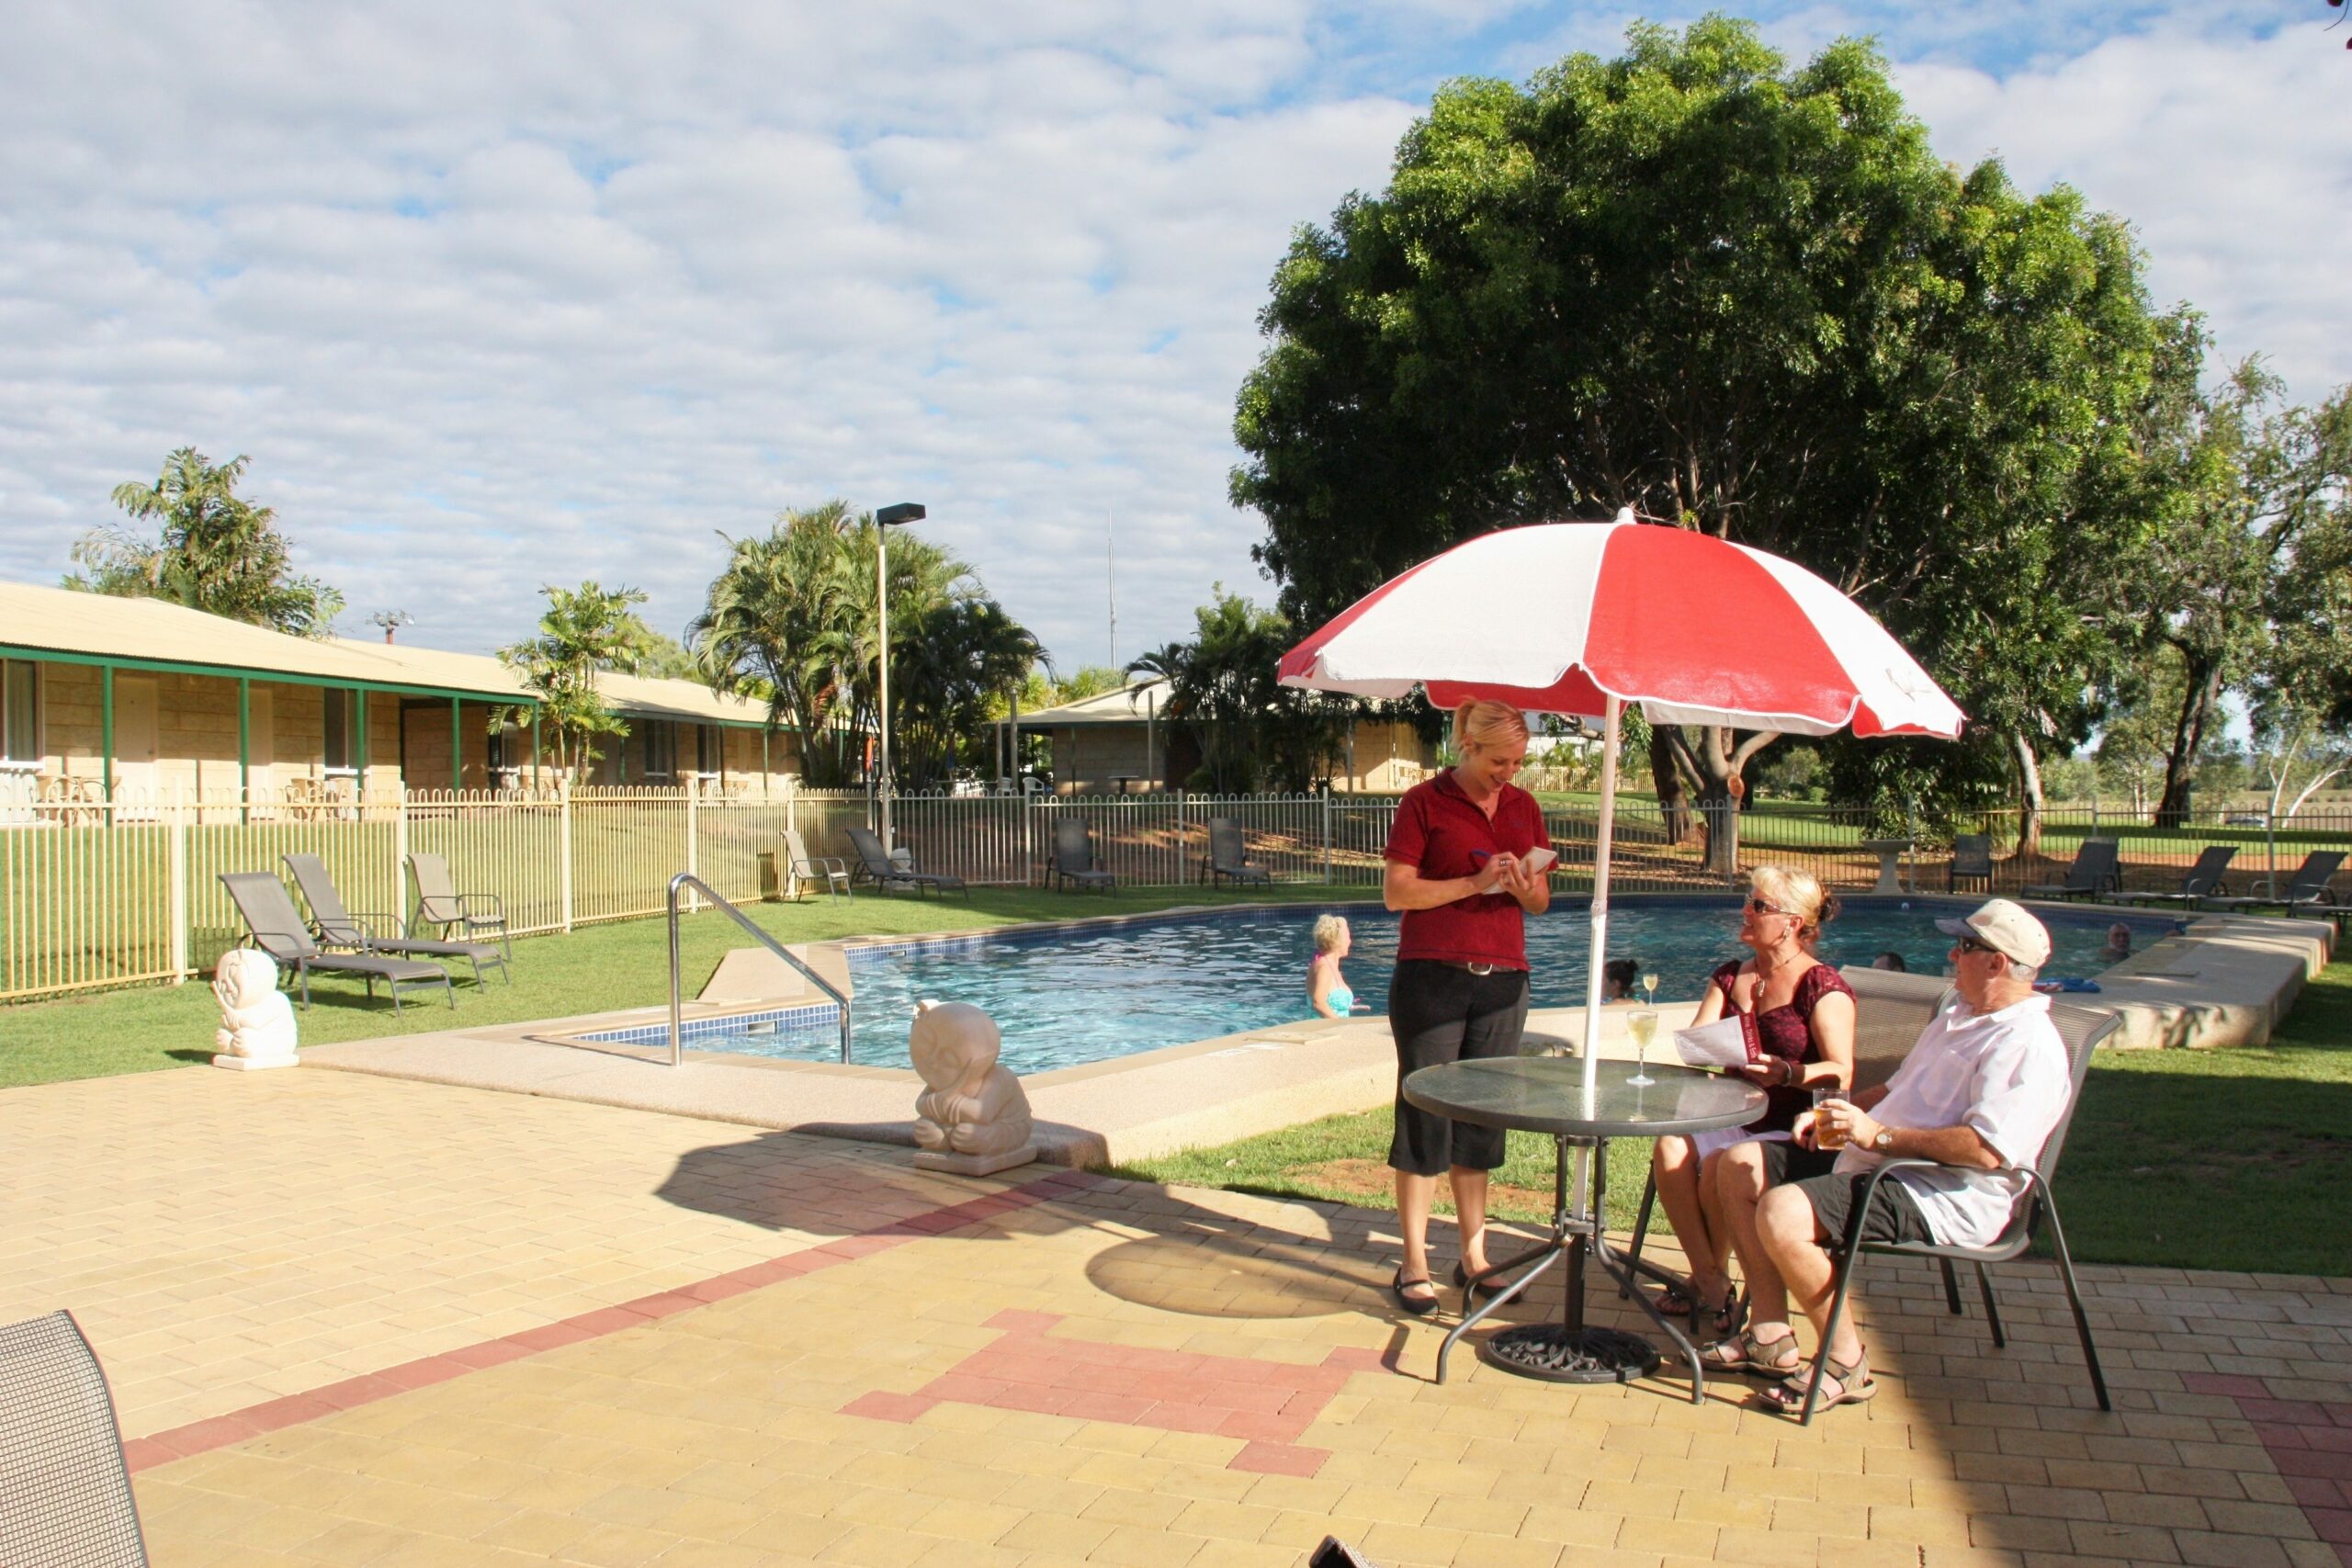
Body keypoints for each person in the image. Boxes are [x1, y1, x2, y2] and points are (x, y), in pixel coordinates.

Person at [1704, 897, 2073, 1415]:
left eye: (1965, 947)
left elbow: (1987, 1151)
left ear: (1999, 963)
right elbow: (1897, 1089)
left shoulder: (2026, 1044)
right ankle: (1769, 1332)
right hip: (1880, 1162)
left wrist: (1877, 1137)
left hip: (1938, 1190)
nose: (1951, 955)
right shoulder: (1960, 1016)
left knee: (1782, 1212)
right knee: (1739, 1164)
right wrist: (1839, 1112)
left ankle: (1845, 1360)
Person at [1380, 699, 1554, 1315]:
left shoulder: (1524, 808)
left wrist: (1520, 884)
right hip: (1432, 977)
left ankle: (1475, 1256)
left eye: (1517, 760)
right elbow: (1396, 892)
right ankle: (1415, 1261)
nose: (1509, 771)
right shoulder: (1423, 803)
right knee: (1425, 1116)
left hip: (1504, 981)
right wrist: (1472, 884)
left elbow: (1539, 903)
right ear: (1468, 747)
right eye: (1498, 760)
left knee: (1482, 1118)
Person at [1647, 867, 1855, 1334]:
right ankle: (1710, 1279)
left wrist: (1791, 1072)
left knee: (1721, 1162)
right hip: (1738, 1114)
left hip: (1798, 1125)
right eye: (1749, 900)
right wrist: (1723, 1027)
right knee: (1670, 1145)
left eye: (1759, 906)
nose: (1746, 911)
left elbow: (1842, 1070)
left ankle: (1720, 1290)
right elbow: (1695, 1042)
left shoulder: (1821, 986)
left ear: (1792, 923)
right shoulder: (1729, 974)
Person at [1309, 915, 1358, 1019]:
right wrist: (1342, 1025)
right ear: (1338, 941)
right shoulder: (1324, 967)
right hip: (1326, 1031)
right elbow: (1318, 1003)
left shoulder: (1331, 967)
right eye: (1348, 937)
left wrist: (1349, 1007)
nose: (1350, 941)